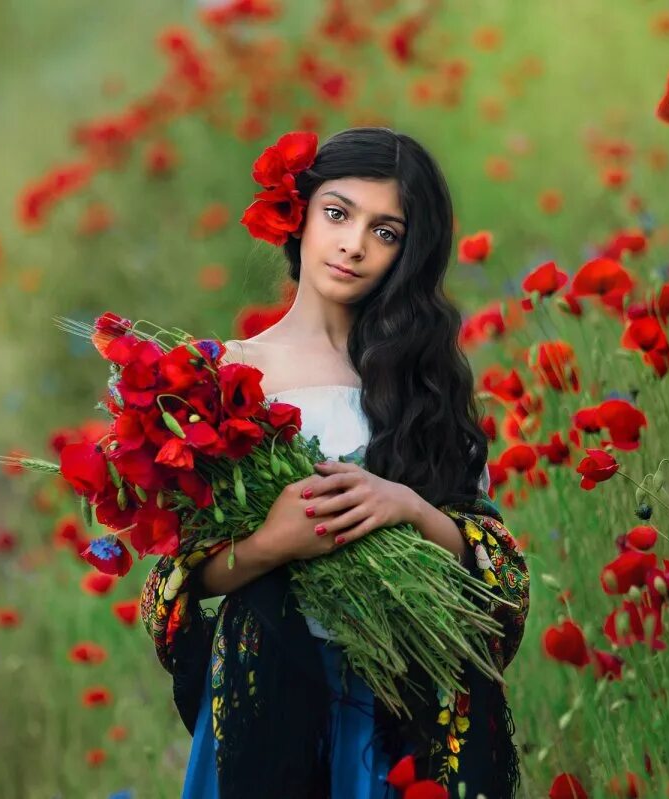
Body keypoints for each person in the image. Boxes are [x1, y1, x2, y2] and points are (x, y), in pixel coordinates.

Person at [139, 127, 530, 798]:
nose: (353, 244)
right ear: (300, 214)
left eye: (386, 231)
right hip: (270, 691)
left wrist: (406, 507)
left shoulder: (426, 385)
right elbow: (176, 584)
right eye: (338, 213)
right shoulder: (227, 377)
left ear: (410, 252)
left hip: (401, 696)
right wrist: (272, 543)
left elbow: (498, 572)